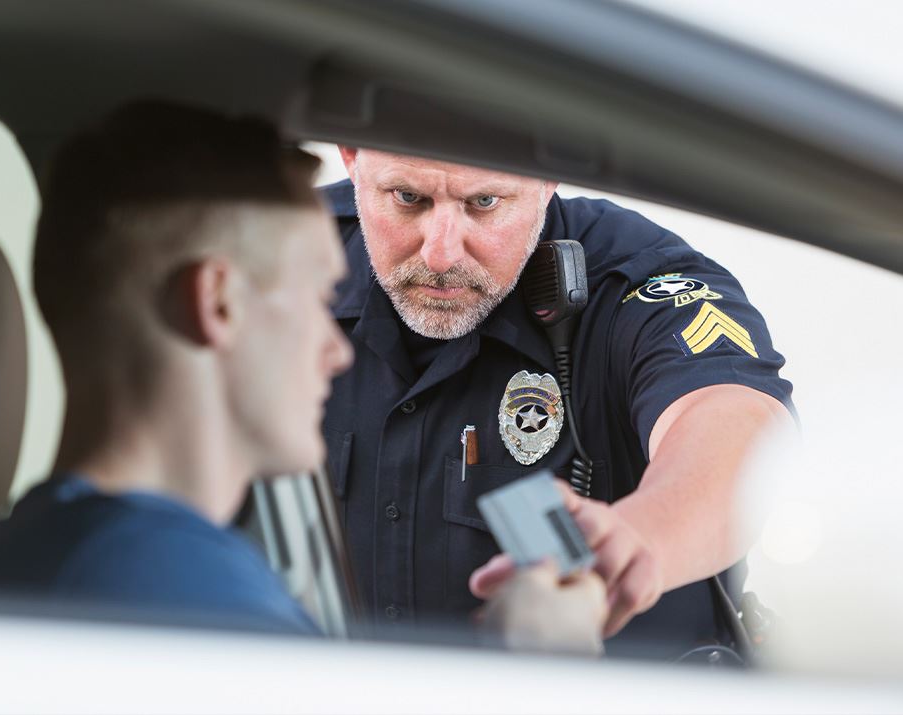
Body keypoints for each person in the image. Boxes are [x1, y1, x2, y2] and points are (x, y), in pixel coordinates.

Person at [0, 102, 606, 651]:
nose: (336, 352)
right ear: (218, 304)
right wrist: (543, 663)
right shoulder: (185, 599)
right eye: (317, 295)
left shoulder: (44, 552)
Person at [320, 148, 795, 658]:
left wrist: (636, 542)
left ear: (549, 175)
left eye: (483, 202)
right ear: (350, 157)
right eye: (408, 198)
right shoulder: (277, 254)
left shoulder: (634, 278)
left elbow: (738, 425)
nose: (441, 253)